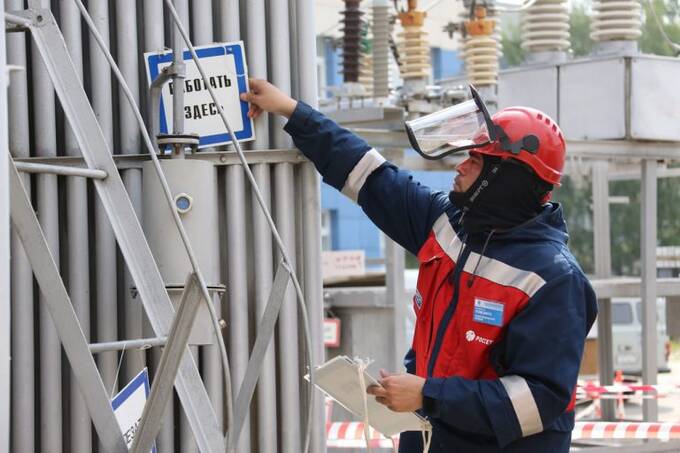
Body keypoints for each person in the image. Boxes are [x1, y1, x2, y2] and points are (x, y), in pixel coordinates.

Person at [241, 79, 597, 453]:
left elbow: (537, 402)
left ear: (505, 180)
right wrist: (291, 111)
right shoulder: (448, 225)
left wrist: (428, 395)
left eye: (474, 160)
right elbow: (369, 174)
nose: (459, 166)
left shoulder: (554, 280)